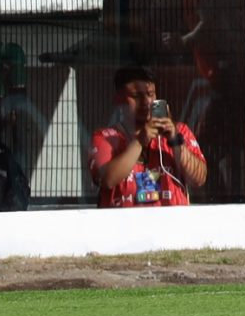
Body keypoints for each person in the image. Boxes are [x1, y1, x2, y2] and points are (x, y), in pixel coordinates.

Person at [87, 64, 207, 208]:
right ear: (119, 99)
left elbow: (199, 178)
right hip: (122, 227)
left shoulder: (180, 131)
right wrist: (139, 142)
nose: (146, 102)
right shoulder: (105, 137)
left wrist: (174, 140)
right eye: (137, 96)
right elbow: (107, 180)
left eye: (151, 94)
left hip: (171, 226)